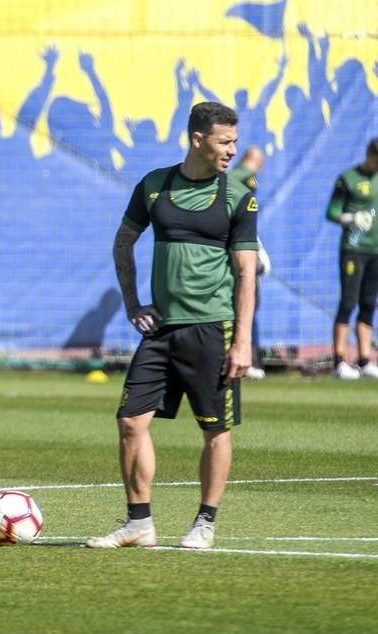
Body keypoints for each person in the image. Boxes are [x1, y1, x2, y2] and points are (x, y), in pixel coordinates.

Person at [87, 102, 258, 550]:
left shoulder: (239, 194)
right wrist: (132, 304)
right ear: (198, 139)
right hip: (160, 330)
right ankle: (138, 523)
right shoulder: (154, 186)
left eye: (235, 142)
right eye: (225, 142)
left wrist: (242, 342)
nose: (232, 150)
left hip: (212, 329)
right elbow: (124, 242)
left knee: (214, 429)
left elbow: (246, 273)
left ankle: (205, 522)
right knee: (129, 422)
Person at [327, 137, 378, 380]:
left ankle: (365, 359)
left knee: (369, 304)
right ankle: (339, 361)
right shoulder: (348, 179)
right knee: (348, 302)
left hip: (376, 250)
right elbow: (332, 212)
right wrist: (351, 218)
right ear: (370, 155)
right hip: (353, 249)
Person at [230, 145, 270, 379]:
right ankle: (247, 358)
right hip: (240, 247)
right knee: (246, 301)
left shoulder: (245, 178)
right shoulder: (239, 177)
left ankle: (252, 359)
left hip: (246, 241)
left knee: (251, 301)